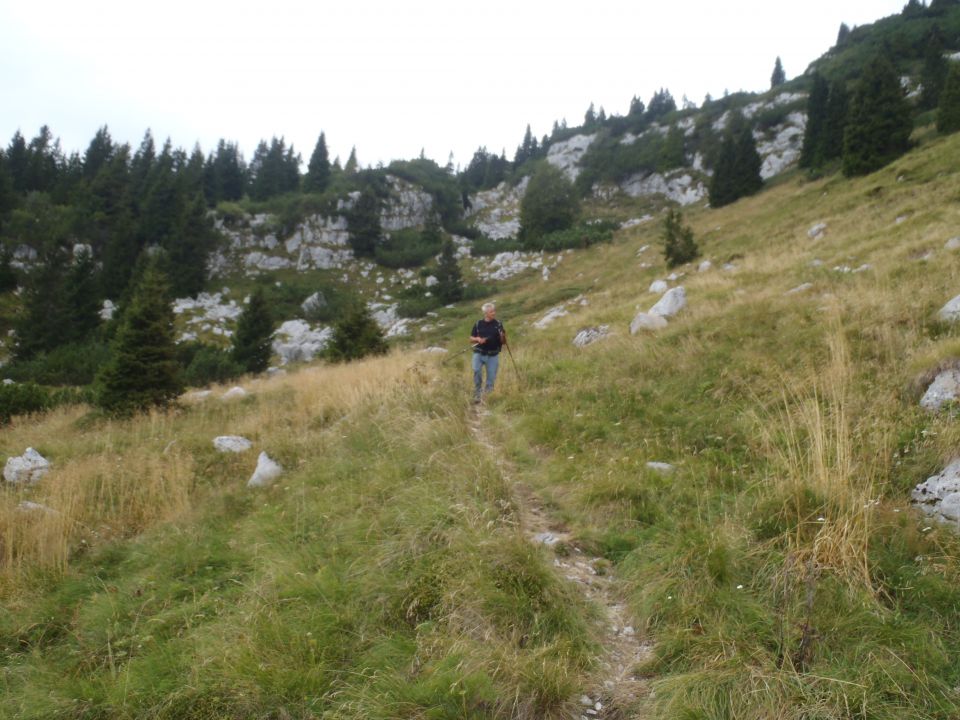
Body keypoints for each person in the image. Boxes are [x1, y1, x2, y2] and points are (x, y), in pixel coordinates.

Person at [469, 302, 506, 402]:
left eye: (494, 311)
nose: (494, 313)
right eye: (491, 311)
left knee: (491, 377)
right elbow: (471, 338)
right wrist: (478, 339)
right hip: (479, 352)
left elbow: (503, 342)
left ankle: (487, 398)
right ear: (485, 313)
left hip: (493, 355)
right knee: (476, 370)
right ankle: (477, 393)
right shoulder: (478, 324)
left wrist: (502, 336)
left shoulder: (498, 324)